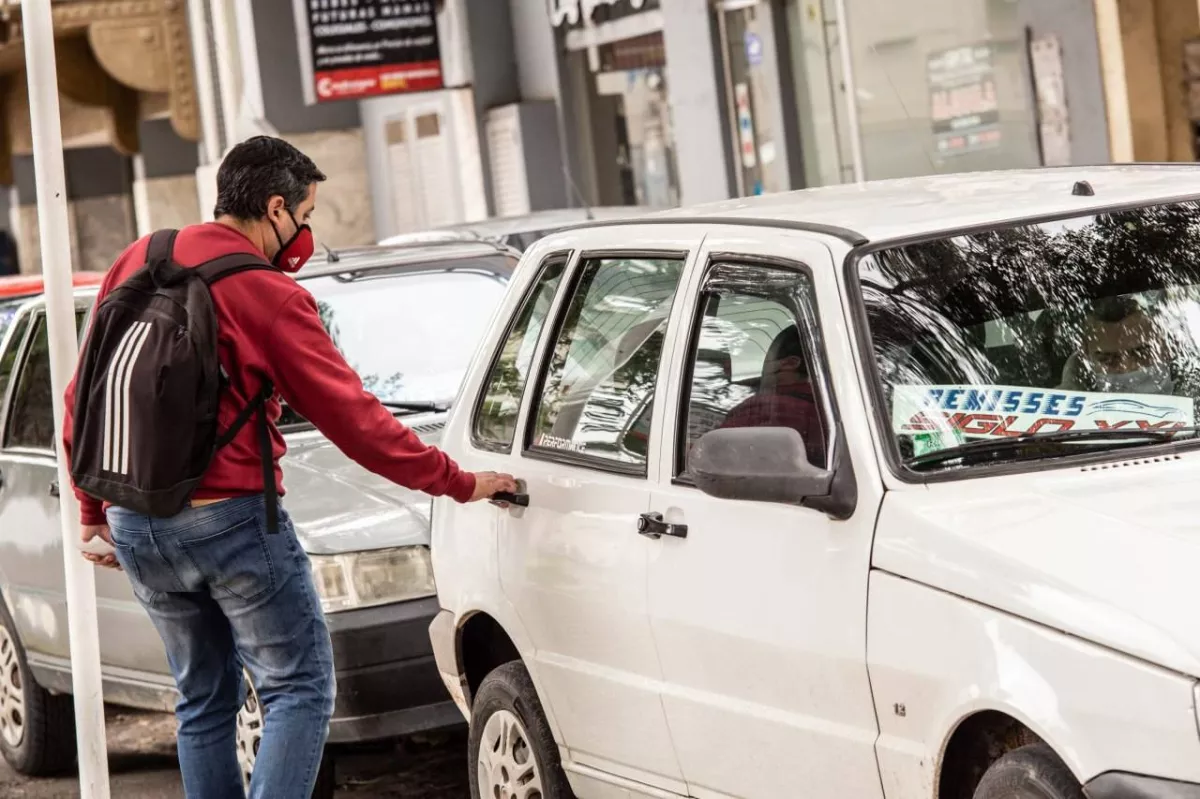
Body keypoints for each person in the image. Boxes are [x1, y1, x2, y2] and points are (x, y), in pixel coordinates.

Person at [62, 136, 518, 799]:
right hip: (231, 520)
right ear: (275, 208)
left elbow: (84, 394)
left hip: (136, 521)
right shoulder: (266, 292)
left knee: (202, 697)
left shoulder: (141, 257)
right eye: (304, 214)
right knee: (297, 688)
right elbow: (356, 420)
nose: (304, 231)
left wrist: (92, 511)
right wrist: (458, 479)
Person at [719, 325, 826, 465]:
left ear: (789, 363)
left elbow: (711, 457)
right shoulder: (833, 409)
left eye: (764, 358)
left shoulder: (766, 408)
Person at [1059, 296, 1174, 394]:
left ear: (1165, 345)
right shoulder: (1053, 410)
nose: (1127, 368)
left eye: (1142, 353)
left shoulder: (1190, 375)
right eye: (1107, 360)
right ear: (1085, 353)